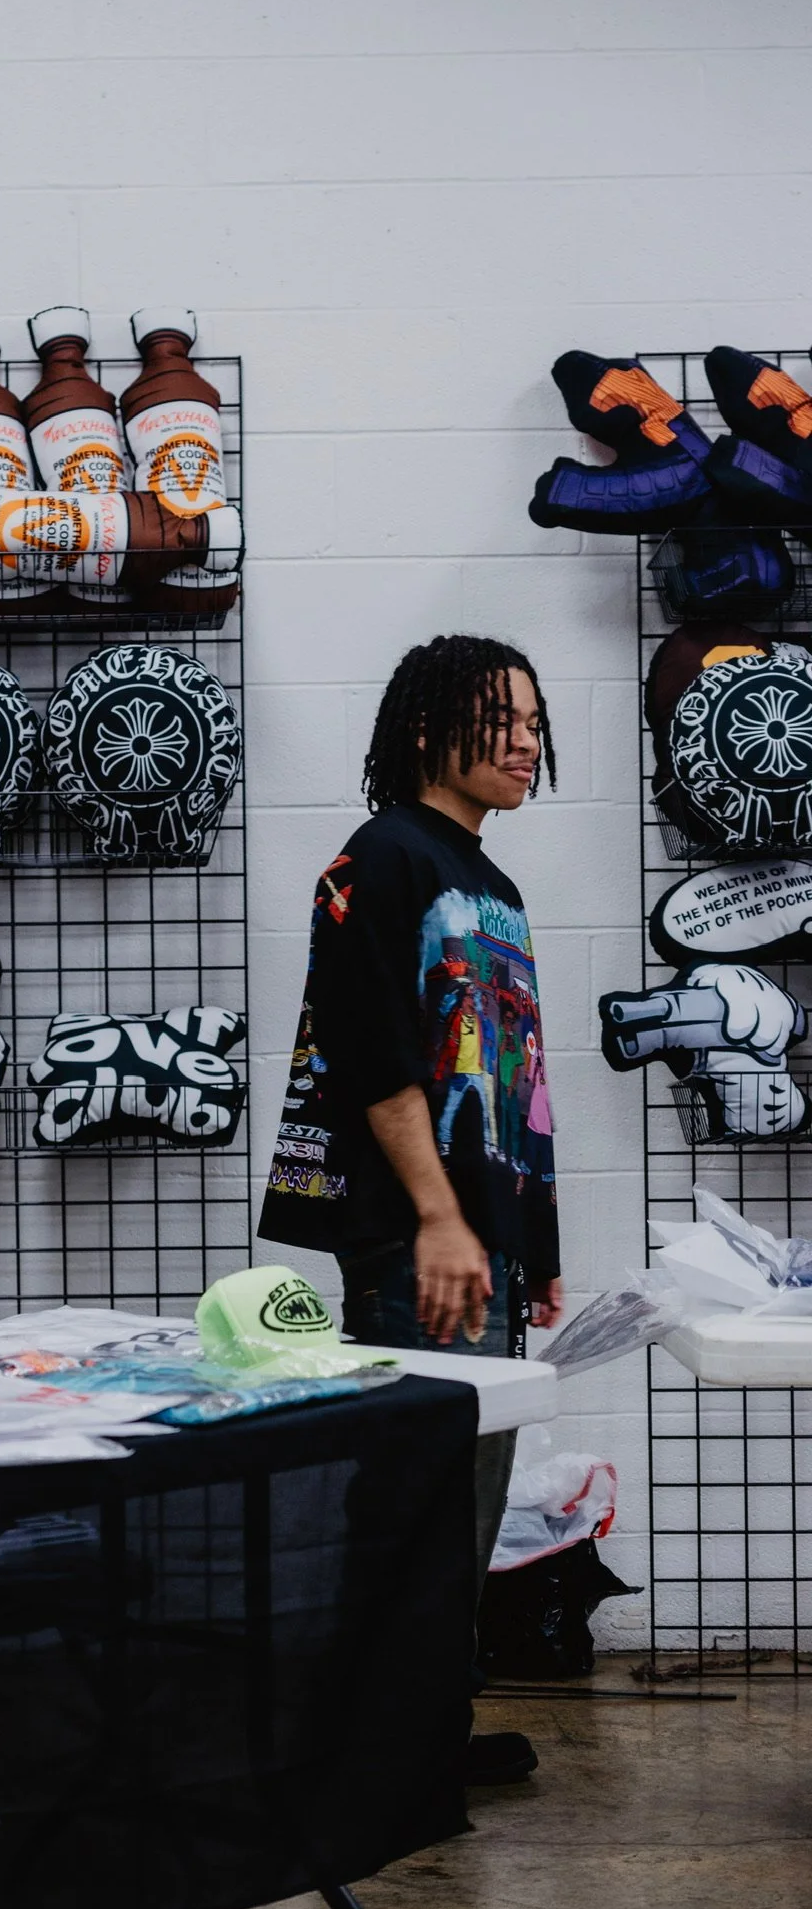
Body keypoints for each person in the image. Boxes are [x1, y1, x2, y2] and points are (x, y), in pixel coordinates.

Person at [259, 634, 562, 1786]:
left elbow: (517, 1086)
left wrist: (532, 1248)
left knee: (464, 1501)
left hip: (479, 1245)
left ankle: (422, 1732)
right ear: (433, 728)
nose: (528, 739)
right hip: (413, 1240)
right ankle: (377, 1751)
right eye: (505, 717)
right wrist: (438, 1219)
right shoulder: (380, 859)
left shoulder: (494, 883)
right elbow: (372, 1055)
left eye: (536, 721)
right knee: (415, 1505)